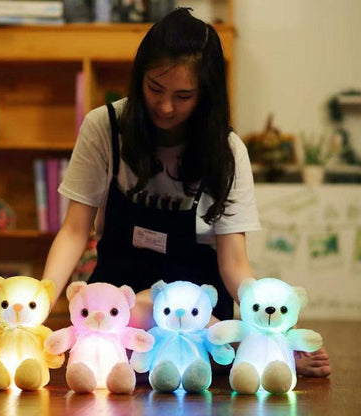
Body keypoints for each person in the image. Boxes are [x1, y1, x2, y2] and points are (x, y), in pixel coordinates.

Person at [42, 8, 330, 378]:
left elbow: (234, 264)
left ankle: (265, 351)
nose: (165, 107)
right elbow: (74, 230)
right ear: (139, 78)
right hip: (118, 295)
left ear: (205, 95)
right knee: (112, 319)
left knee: (182, 319)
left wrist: (274, 327)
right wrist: (38, 304)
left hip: (195, 298)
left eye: (183, 96)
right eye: (155, 89)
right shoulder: (104, 128)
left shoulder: (226, 152)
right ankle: (236, 351)